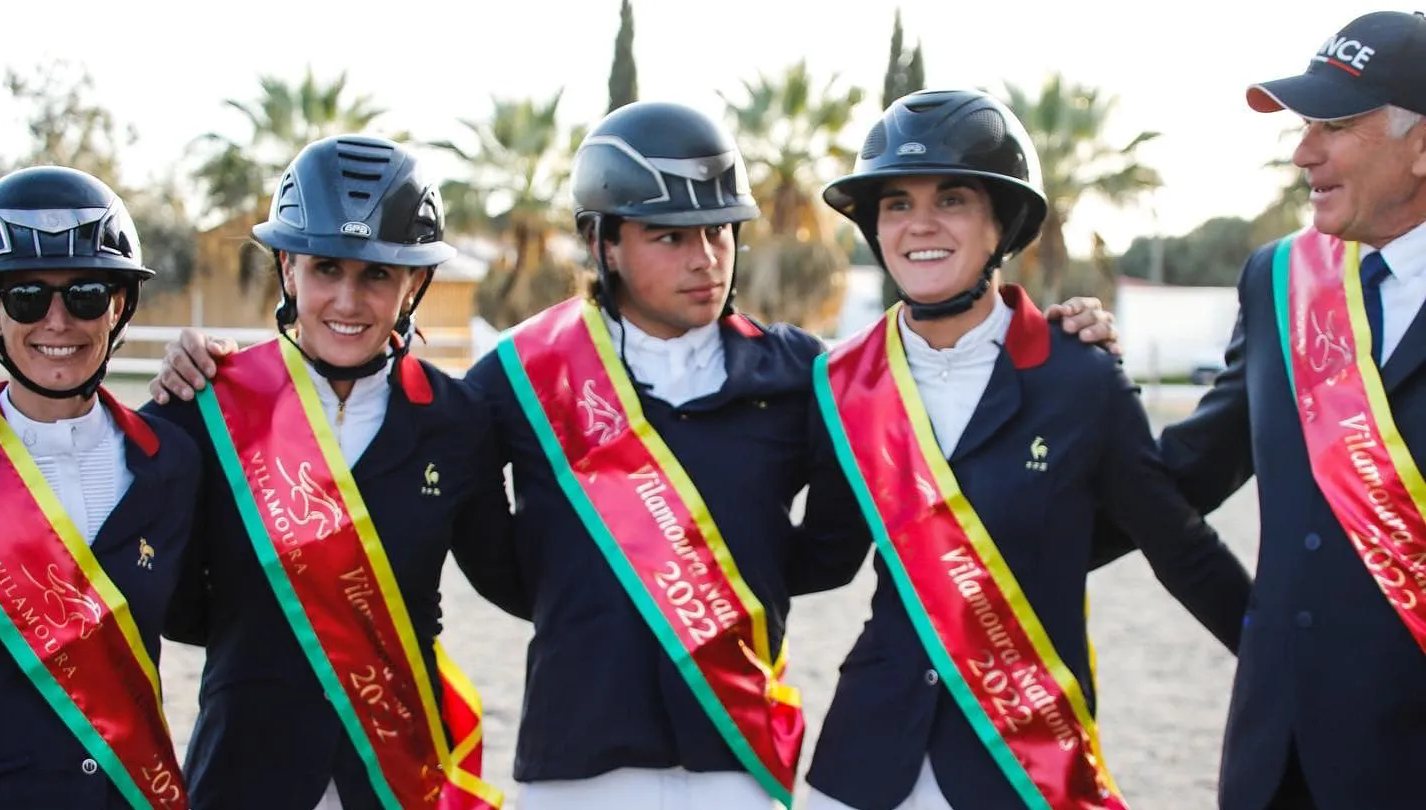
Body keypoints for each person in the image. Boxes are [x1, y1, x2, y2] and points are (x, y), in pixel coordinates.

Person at [149, 102, 1120, 810]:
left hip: (738, 749)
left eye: (718, 234)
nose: (705, 259)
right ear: (606, 243)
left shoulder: (804, 375)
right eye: (670, 235)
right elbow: (497, 561)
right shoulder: (515, 379)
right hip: (573, 756)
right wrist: (591, 596)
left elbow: (843, 534)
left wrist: (1072, 332)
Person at [801, 89, 1254, 810]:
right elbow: (823, 556)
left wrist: (1288, 663)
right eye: (896, 204)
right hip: (868, 755)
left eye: (951, 200)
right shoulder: (843, 380)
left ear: (999, 226)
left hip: (1023, 758)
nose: (919, 224)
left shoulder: (1079, 377)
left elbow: (1180, 547)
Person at [143, 135, 512, 809]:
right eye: (327, 269)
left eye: (377, 274)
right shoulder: (205, 407)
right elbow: (173, 603)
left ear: (413, 285)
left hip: (399, 777)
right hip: (245, 774)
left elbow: (508, 570)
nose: (348, 300)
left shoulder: (460, 421)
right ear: (288, 269)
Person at [1132, 10, 1426, 810]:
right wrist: (1066, 388)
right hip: (1281, 763)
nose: (1303, 153)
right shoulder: (1278, 282)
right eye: (1304, 126)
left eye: (1333, 125)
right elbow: (1186, 473)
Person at [0, 166, 200, 808]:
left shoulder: (174, 460)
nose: (58, 321)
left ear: (118, 307)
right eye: (27, 297)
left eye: (83, 293)